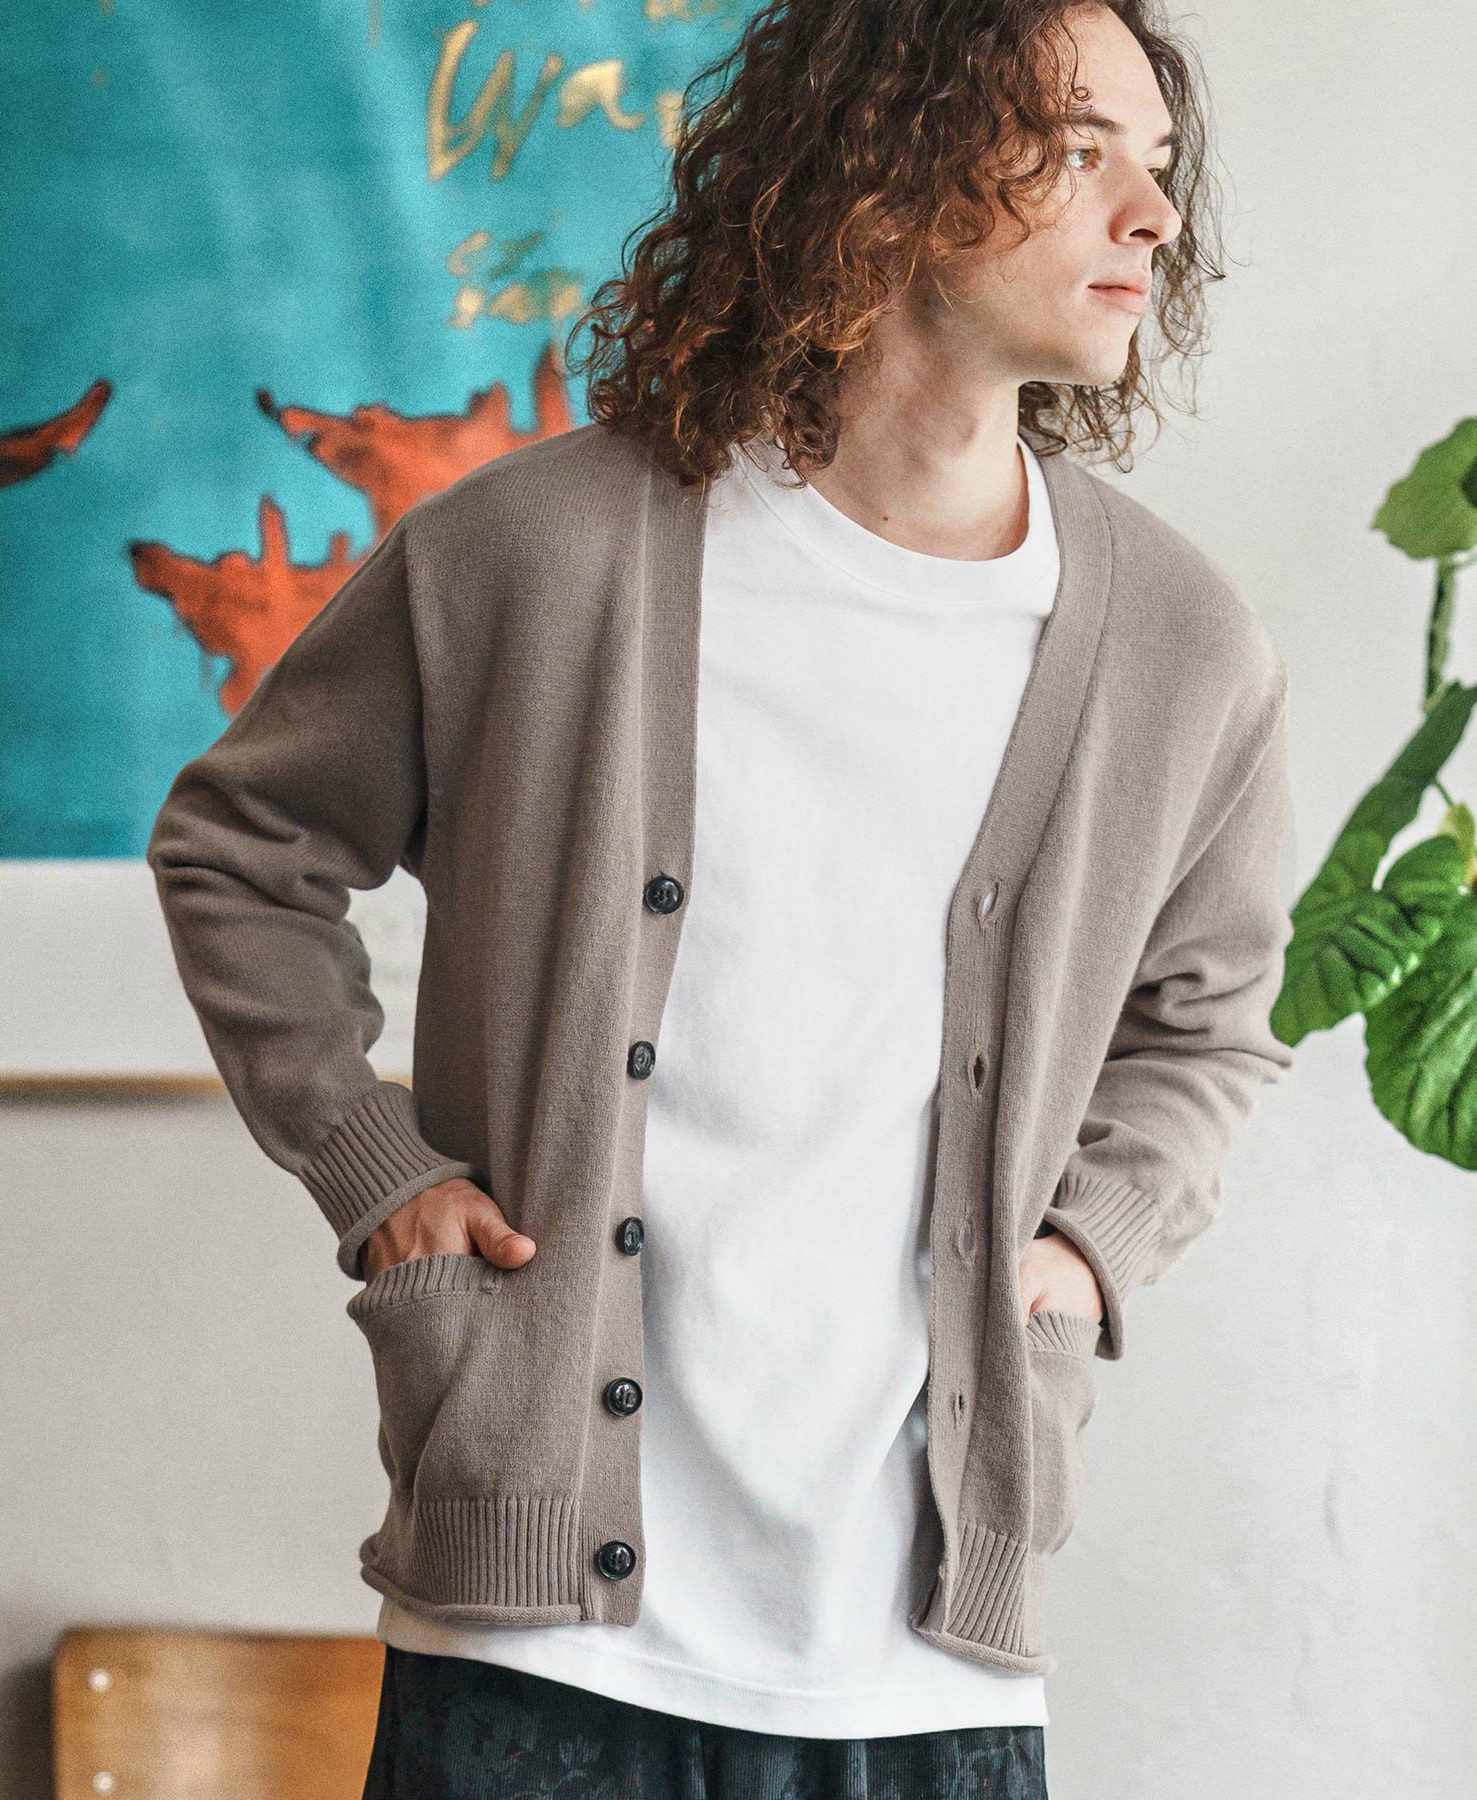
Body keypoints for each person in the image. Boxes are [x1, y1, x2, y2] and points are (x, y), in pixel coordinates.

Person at [148, 2, 1294, 1795]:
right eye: (1080, 152)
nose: (1151, 214)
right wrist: (381, 1176)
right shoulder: (543, 552)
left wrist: (1085, 1252)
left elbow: (1209, 1023)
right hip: (536, 1645)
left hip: (919, 1668)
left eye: (1157, 165)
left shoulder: (1180, 645)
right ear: (883, 167)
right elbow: (243, 845)